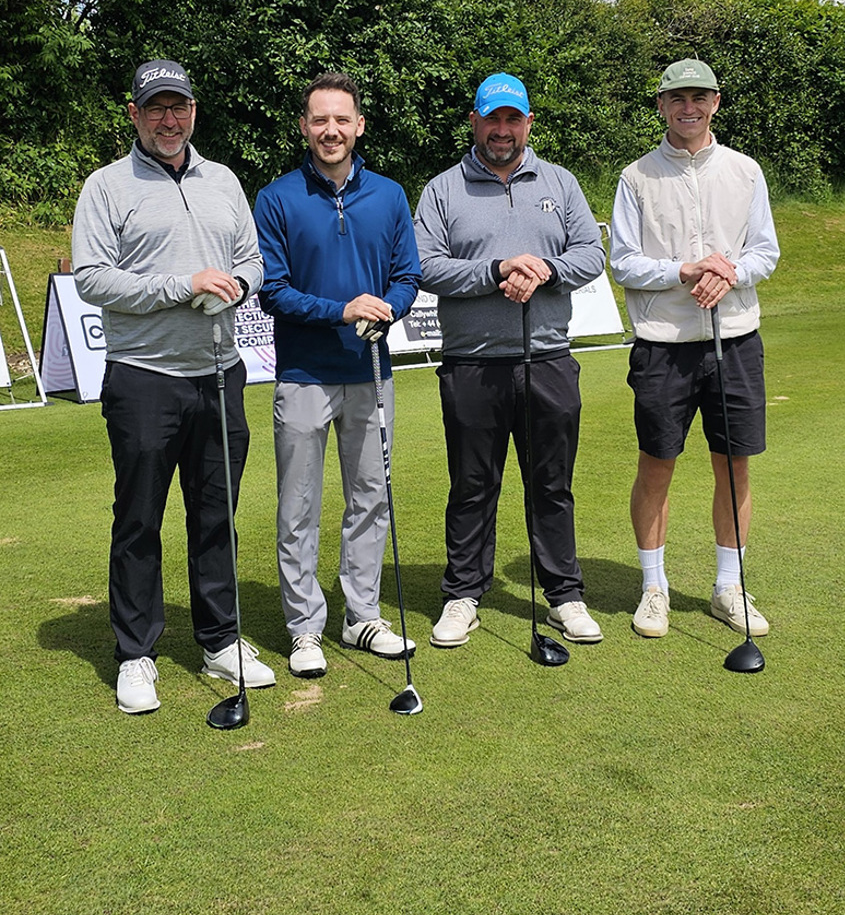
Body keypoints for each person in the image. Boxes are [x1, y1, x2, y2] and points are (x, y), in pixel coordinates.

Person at [72, 58, 275, 714]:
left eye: (178, 106)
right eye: (156, 107)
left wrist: (238, 285)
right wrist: (181, 286)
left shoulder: (223, 180)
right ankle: (136, 653)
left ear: (193, 111)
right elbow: (92, 278)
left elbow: (253, 260)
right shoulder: (107, 186)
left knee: (216, 516)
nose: (169, 119)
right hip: (144, 378)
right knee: (139, 519)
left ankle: (220, 640)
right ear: (134, 114)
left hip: (218, 372)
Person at [414, 73, 606, 648]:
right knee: (472, 484)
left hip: (547, 358)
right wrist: (497, 270)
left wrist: (545, 269)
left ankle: (564, 596)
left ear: (527, 123)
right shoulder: (443, 189)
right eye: (492, 119)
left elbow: (591, 253)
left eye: (512, 119)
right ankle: (463, 594)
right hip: (471, 363)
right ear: (474, 122)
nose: (502, 130)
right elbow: (425, 265)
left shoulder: (560, 182)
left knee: (552, 484)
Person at [253, 72, 421, 678]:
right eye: (320, 120)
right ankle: (304, 628)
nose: (331, 130)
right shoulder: (276, 197)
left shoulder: (390, 195)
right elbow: (272, 290)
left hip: (371, 371)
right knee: (298, 507)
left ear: (359, 126)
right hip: (303, 374)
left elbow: (407, 276)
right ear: (304, 126)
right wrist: (341, 311)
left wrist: (387, 309)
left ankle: (362, 615)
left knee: (370, 500)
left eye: (341, 119)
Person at [609, 58, 780, 639]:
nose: (689, 108)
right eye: (677, 98)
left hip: (736, 338)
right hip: (664, 345)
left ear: (715, 102)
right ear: (661, 106)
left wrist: (729, 272)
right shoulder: (636, 177)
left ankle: (728, 587)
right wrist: (684, 270)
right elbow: (624, 261)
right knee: (657, 465)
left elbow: (765, 252)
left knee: (734, 466)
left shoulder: (745, 171)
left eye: (699, 97)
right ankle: (653, 588)